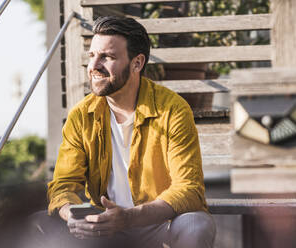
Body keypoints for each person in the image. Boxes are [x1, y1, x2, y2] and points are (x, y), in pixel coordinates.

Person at [28, 16, 216, 248]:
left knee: (195, 225)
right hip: (105, 226)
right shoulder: (81, 116)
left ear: (137, 63)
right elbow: (63, 185)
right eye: (92, 55)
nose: (94, 66)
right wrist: (72, 215)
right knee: (36, 224)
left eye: (106, 57)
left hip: (159, 222)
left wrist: (129, 217)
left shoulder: (172, 110)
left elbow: (189, 189)